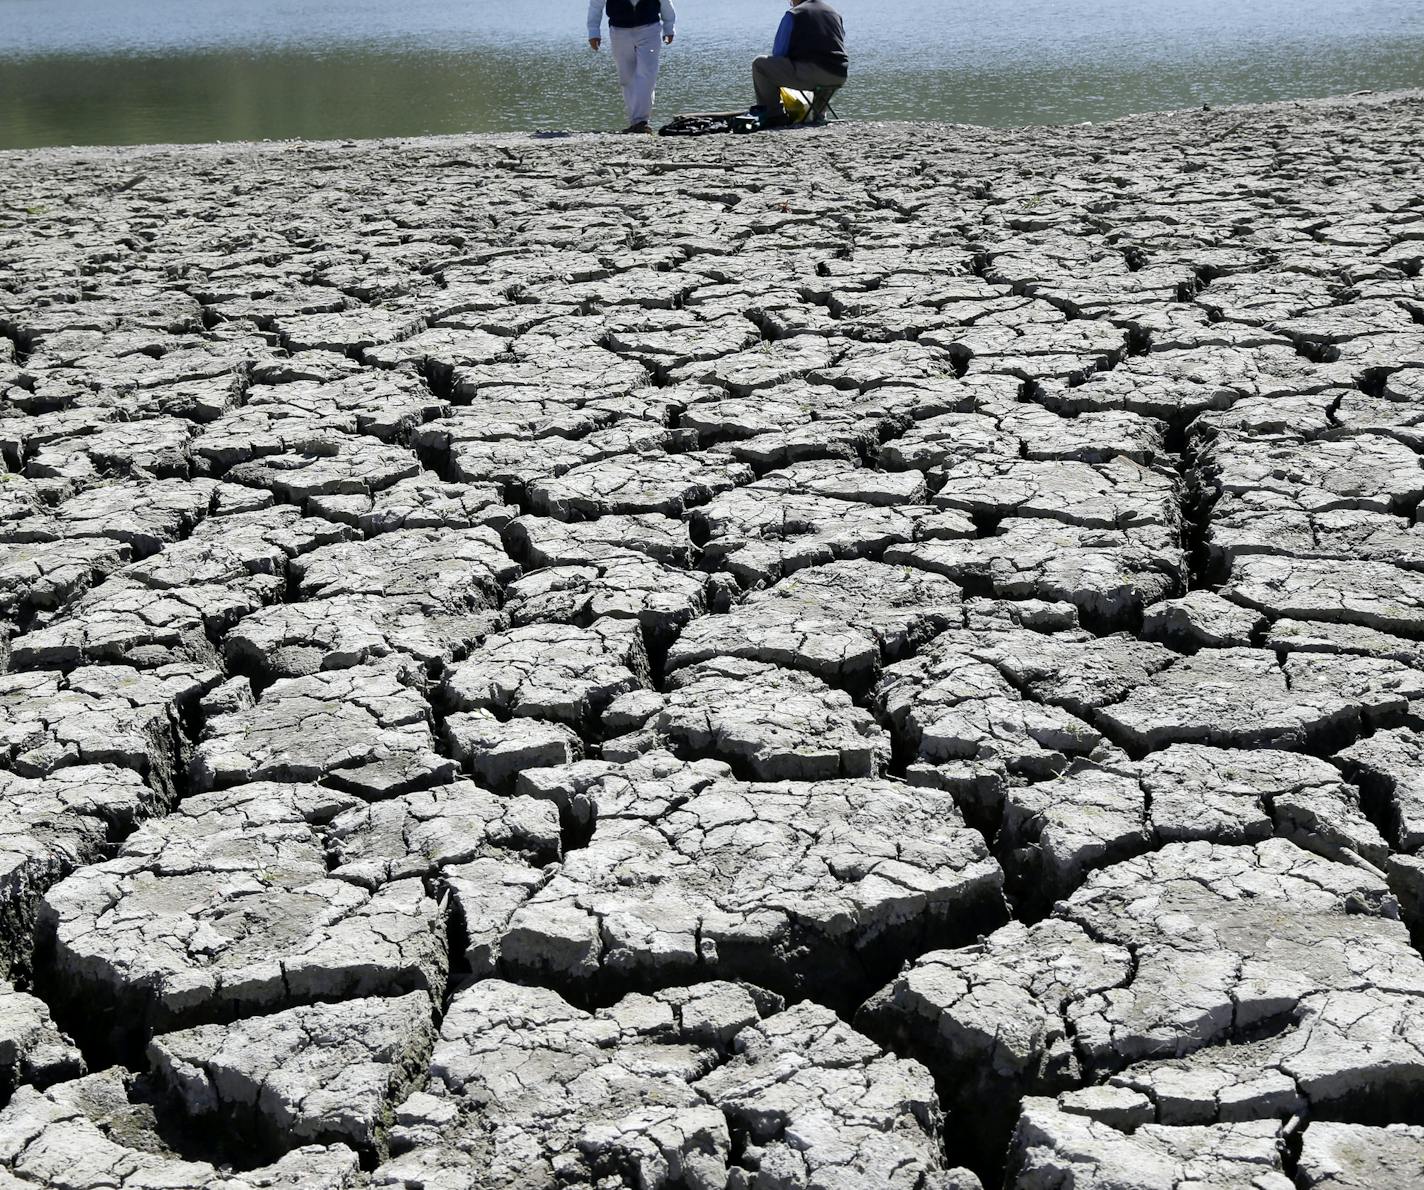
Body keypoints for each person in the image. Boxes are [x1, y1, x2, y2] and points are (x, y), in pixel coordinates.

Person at [753, 0, 848, 128]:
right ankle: (819, 114)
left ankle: (774, 116)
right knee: (821, 66)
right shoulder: (834, 13)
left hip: (812, 74)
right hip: (839, 74)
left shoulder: (794, 14)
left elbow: (779, 52)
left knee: (759, 64)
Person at [588, 0, 677, 134]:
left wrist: (669, 27)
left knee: (647, 73)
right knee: (626, 78)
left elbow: (665, 2)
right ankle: (635, 121)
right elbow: (596, 5)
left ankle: (641, 121)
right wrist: (593, 32)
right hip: (619, 31)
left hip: (650, 28)